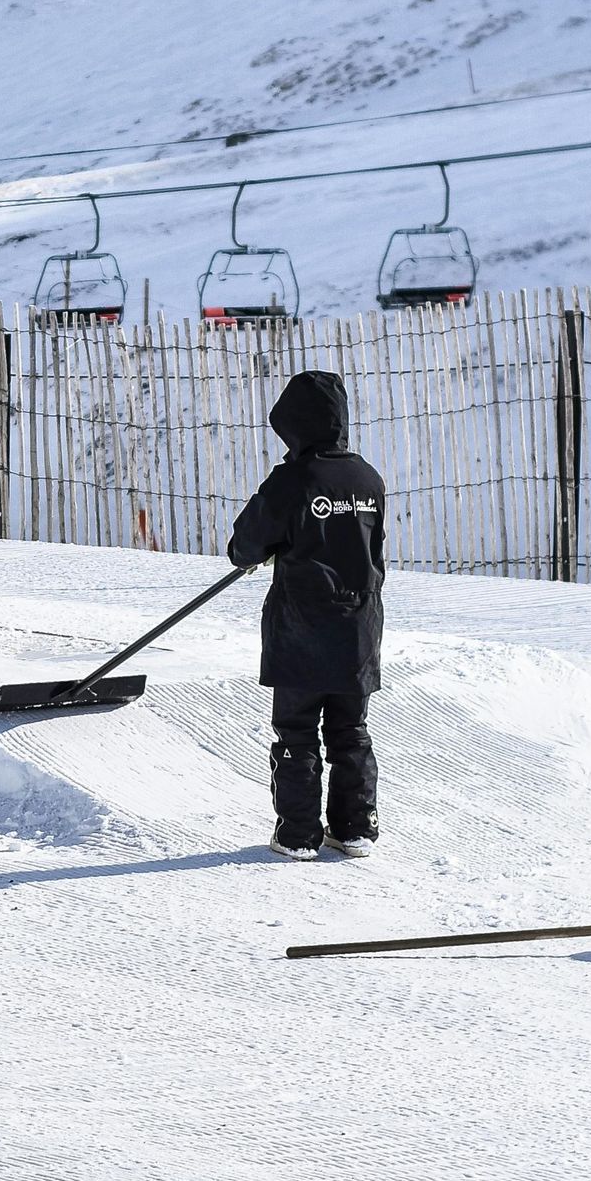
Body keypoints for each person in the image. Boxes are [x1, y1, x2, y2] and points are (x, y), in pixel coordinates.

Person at [227, 368, 385, 860]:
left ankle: (298, 834)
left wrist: (272, 547)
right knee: (350, 729)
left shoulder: (293, 479)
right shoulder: (367, 477)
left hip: (301, 626)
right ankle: (355, 828)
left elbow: (245, 545)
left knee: (296, 730)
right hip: (358, 626)